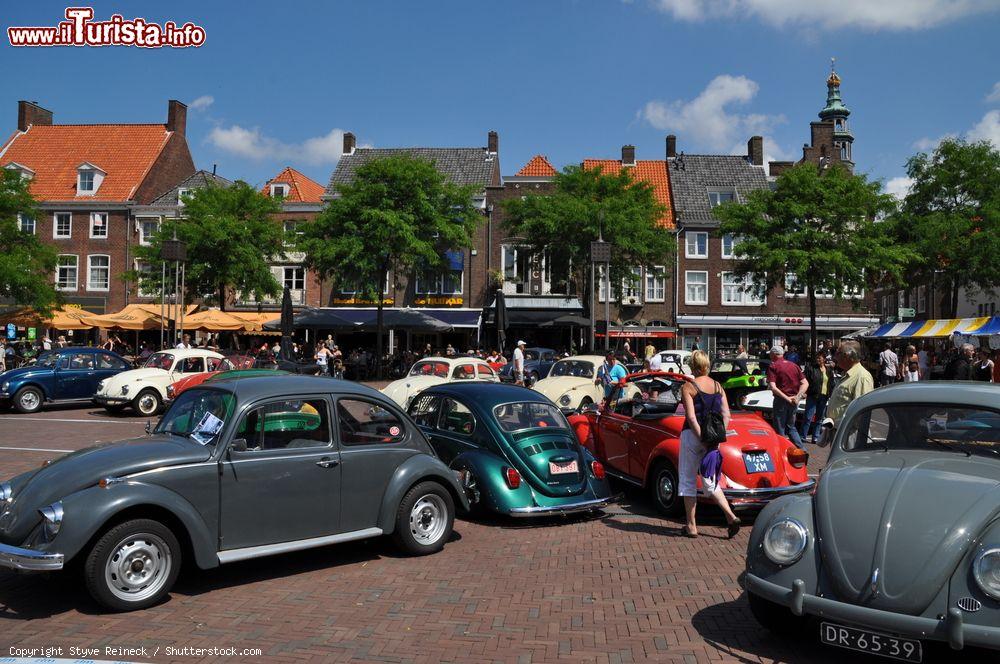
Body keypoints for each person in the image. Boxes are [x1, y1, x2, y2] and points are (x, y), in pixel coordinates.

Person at [678, 350, 741, 539]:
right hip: (714, 439)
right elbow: (727, 415)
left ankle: (691, 526)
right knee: (710, 481)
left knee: (688, 480)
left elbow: (690, 417)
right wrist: (715, 437)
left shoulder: (688, 387)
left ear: (693, 366)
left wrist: (702, 437)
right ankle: (730, 516)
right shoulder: (718, 386)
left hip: (691, 436)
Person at [821, 340, 875, 436]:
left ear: (847, 356)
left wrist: (835, 423)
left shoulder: (862, 377)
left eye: (838, 353)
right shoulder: (847, 374)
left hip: (850, 434)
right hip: (840, 431)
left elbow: (861, 412)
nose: (835, 357)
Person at [766, 346, 808, 449]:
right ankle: (802, 449)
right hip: (793, 400)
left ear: (774, 354)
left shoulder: (773, 366)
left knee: (780, 428)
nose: (770, 356)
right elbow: (805, 383)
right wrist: (797, 397)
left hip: (781, 401)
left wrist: (787, 398)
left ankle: (782, 450)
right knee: (791, 427)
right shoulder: (794, 365)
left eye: (770, 354)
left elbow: (773, 387)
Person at [800, 352, 833, 444]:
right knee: (808, 417)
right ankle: (802, 436)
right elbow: (804, 380)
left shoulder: (829, 370)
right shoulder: (810, 368)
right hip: (813, 396)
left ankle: (815, 437)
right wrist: (805, 392)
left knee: (819, 418)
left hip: (824, 397)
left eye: (820, 358)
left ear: (824, 359)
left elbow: (831, 383)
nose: (818, 360)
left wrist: (831, 394)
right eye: (817, 358)